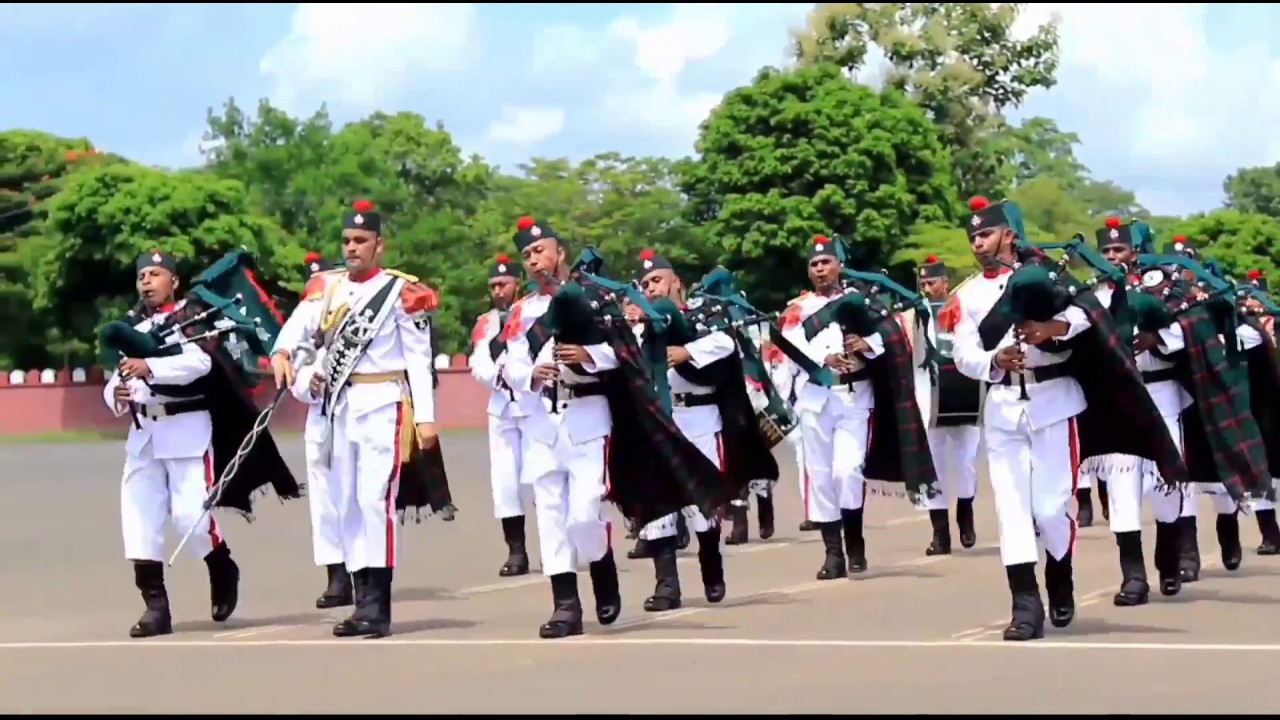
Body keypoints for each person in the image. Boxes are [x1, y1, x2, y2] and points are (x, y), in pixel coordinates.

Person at [951, 196, 1189, 641]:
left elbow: (1087, 314)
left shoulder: (1051, 274)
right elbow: (963, 352)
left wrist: (1051, 330)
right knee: (1012, 511)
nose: (978, 243)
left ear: (1009, 234)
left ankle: (1060, 577)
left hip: (1055, 403)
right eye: (973, 237)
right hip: (1003, 409)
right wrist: (994, 361)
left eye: (985, 234)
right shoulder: (967, 295)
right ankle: (1025, 605)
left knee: (1050, 509)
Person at [499, 217, 726, 639]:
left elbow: (622, 354)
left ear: (559, 253)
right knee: (550, 516)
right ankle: (565, 604)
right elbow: (509, 362)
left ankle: (603, 571)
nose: (534, 261)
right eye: (527, 255)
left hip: (588, 418)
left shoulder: (596, 298)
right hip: (541, 423)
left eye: (540, 251)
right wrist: (531, 370)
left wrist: (586, 355)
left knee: (583, 514)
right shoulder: (521, 312)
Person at [104, 249, 301, 638]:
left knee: (189, 518)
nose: (147, 281)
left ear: (173, 281)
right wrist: (117, 395)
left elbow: (201, 364)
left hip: (186, 430)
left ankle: (221, 566)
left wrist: (153, 366)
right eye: (142, 275)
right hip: (143, 435)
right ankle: (155, 607)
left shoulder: (192, 318)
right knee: (139, 521)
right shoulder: (131, 326)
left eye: (156, 274)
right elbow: (116, 378)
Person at [269, 199, 441, 639]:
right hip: (339, 407)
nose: (352, 248)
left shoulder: (400, 292)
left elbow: (419, 360)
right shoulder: (328, 289)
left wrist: (426, 418)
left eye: (361, 241)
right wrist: (282, 351)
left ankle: (376, 607)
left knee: (373, 502)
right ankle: (359, 598)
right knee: (345, 502)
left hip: (383, 402)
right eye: (347, 240)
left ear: (378, 245)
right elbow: (297, 325)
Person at [780, 235, 938, 579]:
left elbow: (893, 337)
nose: (821, 269)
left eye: (826, 262)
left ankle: (855, 543)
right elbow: (789, 352)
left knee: (847, 470)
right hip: (815, 399)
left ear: (839, 265)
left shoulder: (865, 300)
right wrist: (823, 358)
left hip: (855, 398)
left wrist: (867, 344)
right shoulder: (797, 310)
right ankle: (832, 553)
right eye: (814, 264)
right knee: (820, 477)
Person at [624, 249, 774, 610]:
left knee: (700, 504)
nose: (652, 288)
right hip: (659, 417)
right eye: (645, 285)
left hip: (701, 419)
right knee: (658, 505)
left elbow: (725, 343)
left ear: (676, 281)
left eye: (657, 280)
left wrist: (686, 352)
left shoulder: (704, 315)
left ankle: (712, 568)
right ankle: (666, 587)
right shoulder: (638, 323)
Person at [1087, 219, 1190, 603]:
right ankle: (1133, 577)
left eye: (1120, 250)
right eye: (1108, 251)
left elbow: (1181, 338)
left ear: (1135, 251)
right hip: (1118, 396)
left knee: (1166, 483)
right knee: (1121, 484)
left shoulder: (1160, 287)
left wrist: (1155, 337)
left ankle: (1168, 560)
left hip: (1161, 391)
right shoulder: (1093, 294)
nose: (1114, 256)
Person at [272, 251, 353, 609]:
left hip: (356, 416)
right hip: (321, 419)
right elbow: (297, 383)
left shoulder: (356, 326)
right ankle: (336, 575)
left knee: (356, 495)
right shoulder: (306, 338)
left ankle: (363, 570)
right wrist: (310, 383)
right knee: (324, 502)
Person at [468, 253, 534, 577]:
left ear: (517, 283)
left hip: (533, 402)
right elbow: (477, 361)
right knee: (505, 481)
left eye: (503, 284)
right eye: (493, 285)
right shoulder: (486, 322)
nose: (498, 290)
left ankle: (558, 545)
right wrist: (498, 374)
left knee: (543, 476)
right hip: (502, 405)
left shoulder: (535, 310)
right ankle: (516, 550)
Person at [913, 255, 981, 555]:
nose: (928, 288)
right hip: (929, 398)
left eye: (932, 282)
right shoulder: (914, 313)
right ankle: (940, 533)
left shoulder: (964, 307)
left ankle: (965, 515)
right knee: (934, 467)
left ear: (945, 283)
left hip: (966, 394)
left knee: (964, 463)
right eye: (923, 283)